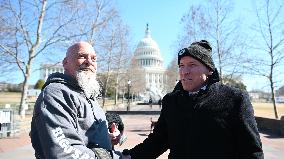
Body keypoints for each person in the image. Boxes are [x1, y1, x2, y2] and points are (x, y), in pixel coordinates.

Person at [122, 40, 264, 159]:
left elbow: (252, 152)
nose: (184, 72)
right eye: (181, 66)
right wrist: (129, 156)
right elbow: (157, 142)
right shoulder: (171, 101)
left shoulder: (234, 99)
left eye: (192, 65)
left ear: (210, 70)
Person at [30, 42, 123, 159]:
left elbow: (85, 135)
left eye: (94, 59)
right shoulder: (56, 94)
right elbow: (64, 151)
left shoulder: (88, 96)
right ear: (65, 63)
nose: (89, 62)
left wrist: (106, 138)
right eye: (82, 56)